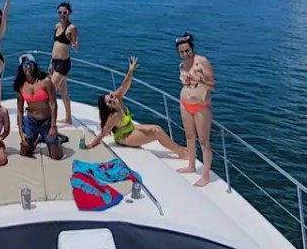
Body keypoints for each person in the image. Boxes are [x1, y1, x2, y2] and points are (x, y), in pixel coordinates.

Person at [83, 57, 187, 157]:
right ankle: (180, 152)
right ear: (109, 107)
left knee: (157, 127)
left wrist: (131, 70)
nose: (112, 99)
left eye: (110, 96)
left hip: (130, 129)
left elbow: (125, 85)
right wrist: (90, 145)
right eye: (109, 102)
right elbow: (103, 133)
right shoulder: (113, 116)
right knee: (157, 132)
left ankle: (179, 148)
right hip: (125, 137)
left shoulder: (117, 98)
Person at [175, 33, 216, 187]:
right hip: (185, 103)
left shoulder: (202, 62)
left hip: (201, 106)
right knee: (189, 137)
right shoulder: (182, 65)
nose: (185, 54)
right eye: (182, 52)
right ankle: (191, 165)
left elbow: (213, 85)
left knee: (204, 141)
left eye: (187, 51)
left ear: (192, 48)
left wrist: (199, 80)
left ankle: (205, 176)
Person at [14, 54, 63, 159]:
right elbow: (19, 111)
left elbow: (53, 104)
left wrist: (53, 126)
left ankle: (56, 140)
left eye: (30, 64)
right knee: (24, 152)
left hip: (47, 122)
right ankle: (36, 139)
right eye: (25, 65)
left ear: (35, 65)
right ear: (21, 68)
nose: (28, 67)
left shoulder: (46, 81)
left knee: (56, 156)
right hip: (31, 122)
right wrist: (21, 132)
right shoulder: (20, 86)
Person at [50, 1, 79, 124]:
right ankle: (68, 118)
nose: (62, 14)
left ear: (69, 13)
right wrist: (50, 63)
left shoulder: (72, 28)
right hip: (55, 62)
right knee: (64, 92)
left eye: (65, 12)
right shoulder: (57, 26)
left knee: (50, 91)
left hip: (63, 64)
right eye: (60, 12)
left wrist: (75, 45)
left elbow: (74, 45)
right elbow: (54, 45)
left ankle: (50, 120)